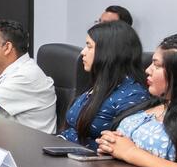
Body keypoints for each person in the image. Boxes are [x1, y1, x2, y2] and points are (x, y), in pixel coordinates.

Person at [96, 34, 177, 167]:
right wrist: (109, 144)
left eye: (157, 65)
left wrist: (130, 152)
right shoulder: (155, 104)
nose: (148, 70)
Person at [59, 21, 148, 149]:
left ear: (109, 52)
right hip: (65, 150)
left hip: (89, 159)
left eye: (89, 47)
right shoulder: (101, 84)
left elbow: (123, 148)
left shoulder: (132, 95)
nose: (83, 52)